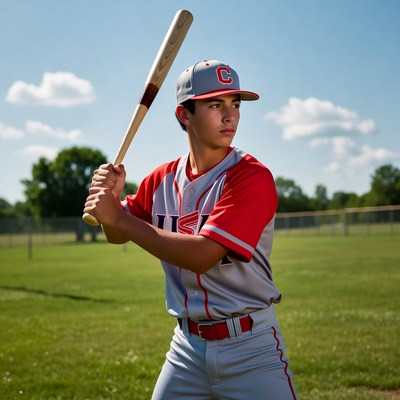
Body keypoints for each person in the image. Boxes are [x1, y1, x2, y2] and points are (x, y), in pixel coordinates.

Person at [84, 59, 298, 399]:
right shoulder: (160, 180)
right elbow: (116, 235)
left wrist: (119, 216)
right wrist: (112, 202)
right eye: (215, 105)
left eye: (235, 104)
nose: (230, 116)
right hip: (186, 347)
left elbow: (202, 256)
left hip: (250, 348)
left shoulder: (251, 177)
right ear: (184, 115)